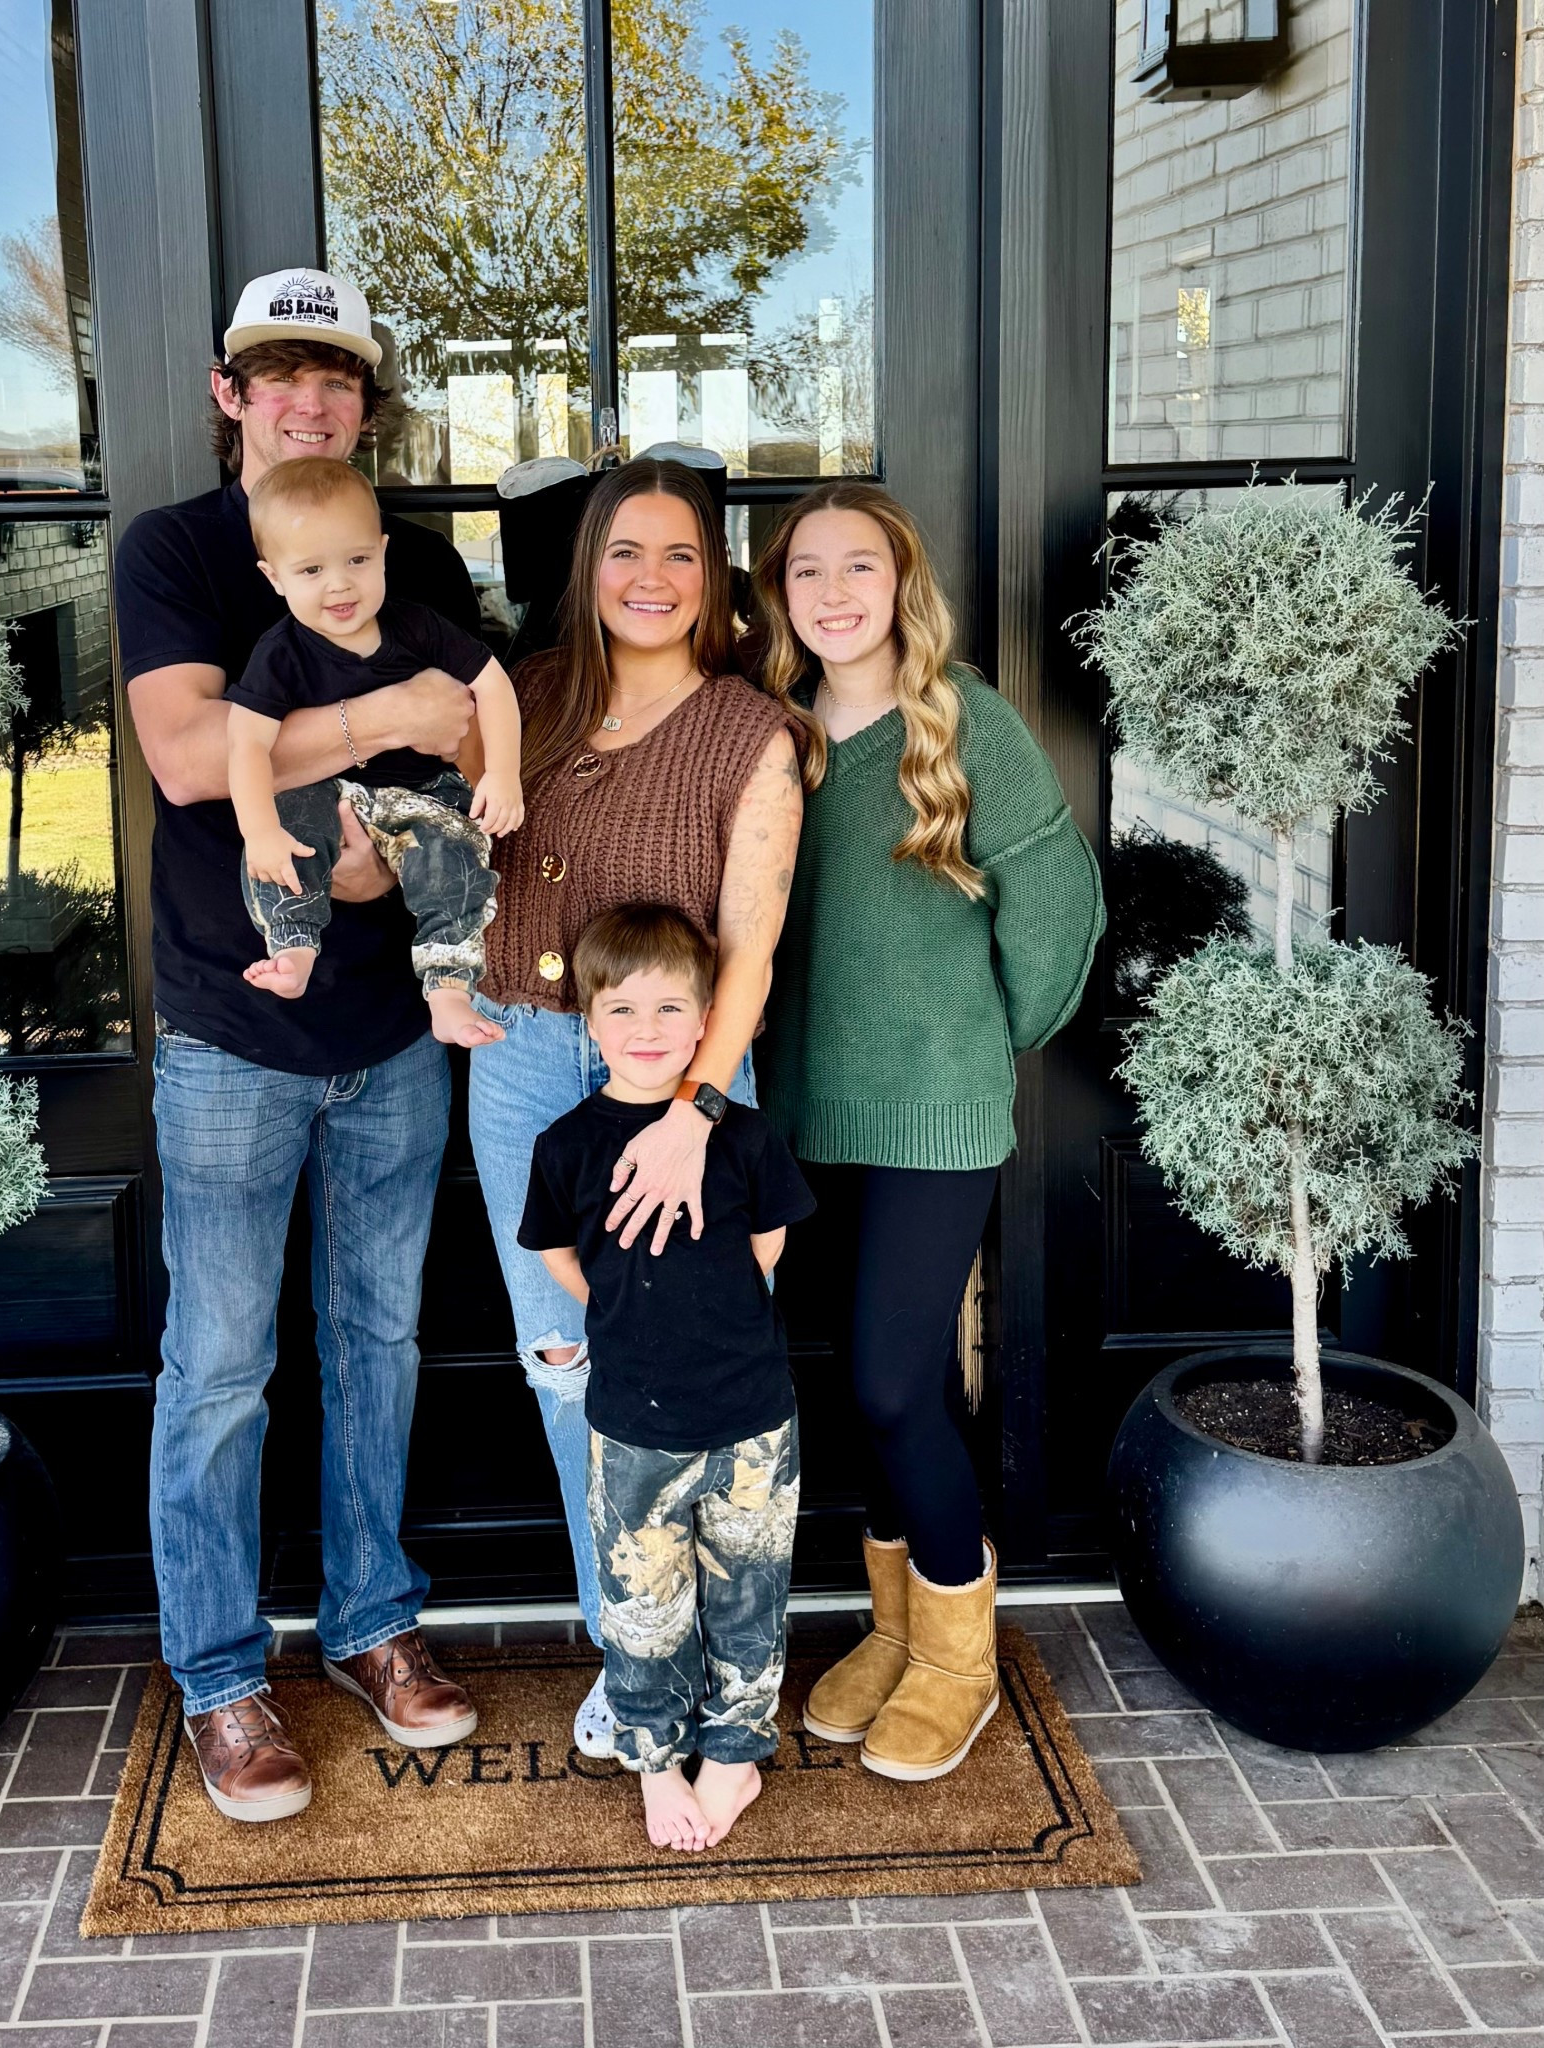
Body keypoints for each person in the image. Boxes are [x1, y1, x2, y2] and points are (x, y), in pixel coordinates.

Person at [114, 267, 484, 1824]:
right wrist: (382, 710)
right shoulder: (179, 551)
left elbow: (467, 736)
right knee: (218, 1365)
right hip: (230, 1028)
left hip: (394, 1023)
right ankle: (218, 1677)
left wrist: (402, 738)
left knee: (377, 1344)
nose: (306, 399)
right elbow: (193, 758)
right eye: (277, 373)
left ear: (363, 402)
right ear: (228, 392)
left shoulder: (422, 555)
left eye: (333, 378)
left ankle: (372, 1630)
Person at [750, 480, 1104, 1782]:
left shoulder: (962, 722)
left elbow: (1056, 903)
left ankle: (961, 1657)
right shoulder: (774, 733)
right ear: (777, 595)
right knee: (865, 1381)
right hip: (802, 1108)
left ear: (904, 582)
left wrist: (981, 1036)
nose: (835, 594)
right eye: (806, 573)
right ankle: (899, 1633)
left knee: (898, 1381)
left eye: (861, 567)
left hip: (934, 1113)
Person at [467, 458, 807, 1757]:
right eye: (624, 553)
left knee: (684, 1367)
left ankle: (723, 1658)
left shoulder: (748, 732)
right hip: (521, 1069)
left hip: (682, 1084)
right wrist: (438, 968)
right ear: (586, 569)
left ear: (711, 576)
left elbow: (752, 943)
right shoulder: (529, 700)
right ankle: (632, 1652)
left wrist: (696, 1110)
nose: (649, 579)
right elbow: (429, 837)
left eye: (677, 554)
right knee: (567, 1368)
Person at [520, 905, 814, 1851]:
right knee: (643, 1609)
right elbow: (559, 1254)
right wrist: (620, 1304)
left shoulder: (747, 1139)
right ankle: (655, 1760)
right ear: (587, 1020)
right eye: (622, 1010)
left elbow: (764, 1248)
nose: (645, 1031)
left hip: (752, 1420)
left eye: (669, 1009)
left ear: (706, 1023)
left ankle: (733, 1755)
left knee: (748, 1597)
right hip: (633, 1426)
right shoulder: (567, 1145)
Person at [227, 456, 523, 1045]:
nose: (339, 584)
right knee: (289, 832)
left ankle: (448, 988)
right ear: (274, 577)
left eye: (357, 560)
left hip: (419, 792)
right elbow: (245, 744)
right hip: (328, 790)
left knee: (456, 852)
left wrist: (503, 773)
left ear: (383, 552)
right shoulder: (281, 652)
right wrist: (257, 828)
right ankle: (294, 949)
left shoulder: (416, 626)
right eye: (311, 569)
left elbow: (493, 684)